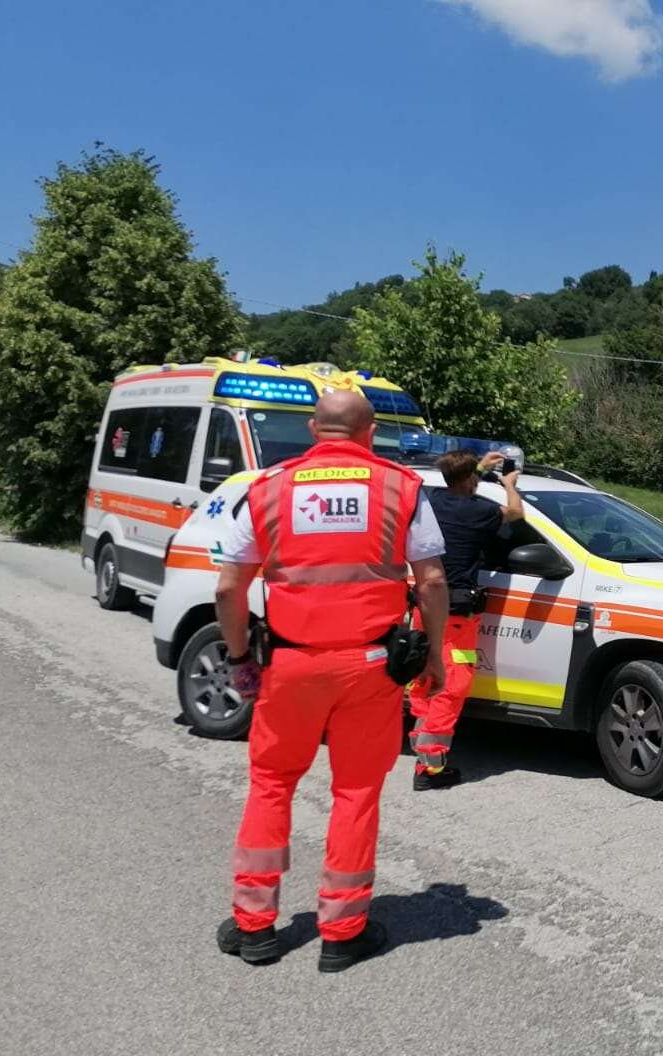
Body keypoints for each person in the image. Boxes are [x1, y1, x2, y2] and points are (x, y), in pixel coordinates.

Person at [212, 391, 449, 973]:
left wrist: (242, 657)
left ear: (314, 428)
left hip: (290, 666)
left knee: (271, 783)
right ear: (368, 431)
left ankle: (255, 927)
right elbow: (434, 579)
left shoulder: (267, 488)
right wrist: (435, 656)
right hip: (370, 668)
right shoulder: (401, 488)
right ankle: (342, 933)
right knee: (356, 792)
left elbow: (227, 589)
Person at [407, 448, 524, 789]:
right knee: (451, 683)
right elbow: (515, 512)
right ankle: (430, 769)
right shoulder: (481, 511)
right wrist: (509, 483)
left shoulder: (433, 502)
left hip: (424, 606)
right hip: (456, 613)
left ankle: (421, 754)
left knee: (425, 680)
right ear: (471, 478)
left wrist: (479, 471)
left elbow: (459, 487)